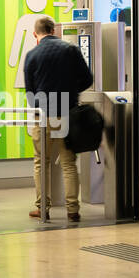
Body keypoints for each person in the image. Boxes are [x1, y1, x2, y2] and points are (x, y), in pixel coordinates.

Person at [23, 15, 94, 222]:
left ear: (36, 34)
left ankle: (43, 208)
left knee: (41, 162)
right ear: (54, 31)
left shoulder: (32, 54)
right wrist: (71, 92)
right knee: (69, 163)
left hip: (43, 115)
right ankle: (73, 210)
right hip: (67, 113)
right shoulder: (71, 50)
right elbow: (87, 79)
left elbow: (30, 92)